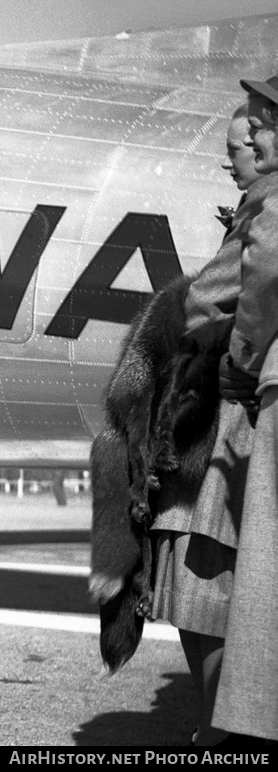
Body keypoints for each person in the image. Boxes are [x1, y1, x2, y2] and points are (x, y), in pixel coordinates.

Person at [159, 101, 264, 745]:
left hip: (227, 420)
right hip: (238, 414)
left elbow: (207, 303)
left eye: (240, 149)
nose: (231, 163)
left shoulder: (265, 208)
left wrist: (235, 356)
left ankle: (219, 733)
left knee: (202, 568)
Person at [199, 74, 278, 745]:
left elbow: (243, 290)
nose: (248, 143)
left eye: (258, 129)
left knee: (260, 565)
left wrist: (242, 365)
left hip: (264, 388)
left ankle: (249, 726)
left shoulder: (272, 206)